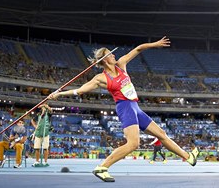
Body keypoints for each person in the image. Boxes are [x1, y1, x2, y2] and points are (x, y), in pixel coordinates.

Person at [49, 37, 199, 182]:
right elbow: (80, 90)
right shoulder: (101, 78)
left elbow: (138, 49)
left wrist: (155, 44)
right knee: (133, 144)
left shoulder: (121, 64)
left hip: (136, 107)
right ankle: (102, 167)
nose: (114, 55)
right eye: (110, 53)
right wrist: (59, 94)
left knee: (161, 134)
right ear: (105, 59)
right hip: (125, 107)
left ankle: (188, 157)